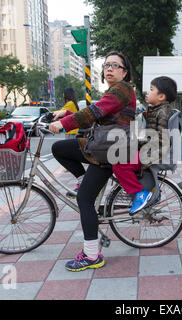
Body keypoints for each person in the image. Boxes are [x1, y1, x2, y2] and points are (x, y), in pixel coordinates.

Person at [49, 51, 136, 271]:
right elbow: (98, 117)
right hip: (100, 146)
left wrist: (65, 124)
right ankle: (81, 178)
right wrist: (63, 115)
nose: (109, 69)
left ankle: (91, 255)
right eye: (107, 65)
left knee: (84, 201)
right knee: (59, 148)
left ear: (125, 72)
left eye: (115, 65)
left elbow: (95, 111)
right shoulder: (114, 91)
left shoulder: (123, 89)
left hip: (107, 152)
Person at [112, 76, 176, 215]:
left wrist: (143, 150)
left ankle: (139, 194)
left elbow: (160, 139)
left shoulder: (162, 112)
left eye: (151, 89)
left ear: (161, 96)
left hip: (153, 155)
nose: (148, 92)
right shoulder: (156, 109)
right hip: (151, 151)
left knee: (118, 163)